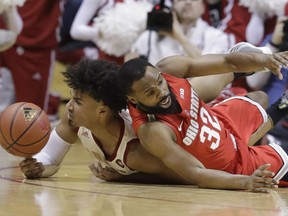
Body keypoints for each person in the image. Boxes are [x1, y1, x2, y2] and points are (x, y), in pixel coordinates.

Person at [19, 58, 278, 193]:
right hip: (180, 126)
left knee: (247, 97)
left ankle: (236, 73)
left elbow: (186, 176)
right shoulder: (76, 120)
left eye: (76, 100)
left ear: (102, 110)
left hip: (183, 125)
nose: (69, 106)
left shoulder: (140, 147)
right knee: (258, 102)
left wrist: (122, 178)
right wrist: (38, 166)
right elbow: (50, 157)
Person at [117, 42, 288, 187]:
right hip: (233, 167)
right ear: (132, 99)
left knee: (259, 97)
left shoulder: (167, 68)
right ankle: (281, 107)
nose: (162, 92)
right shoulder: (152, 131)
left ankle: (246, 70)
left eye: (160, 82)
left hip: (219, 122)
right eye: (150, 93)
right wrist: (245, 182)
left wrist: (267, 59)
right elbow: (195, 172)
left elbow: (227, 61)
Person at [127, 0, 232, 65]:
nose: (187, 2)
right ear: (173, 5)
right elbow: (131, 59)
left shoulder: (217, 36)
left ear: (203, 7)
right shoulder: (151, 36)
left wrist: (179, 37)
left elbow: (210, 70)